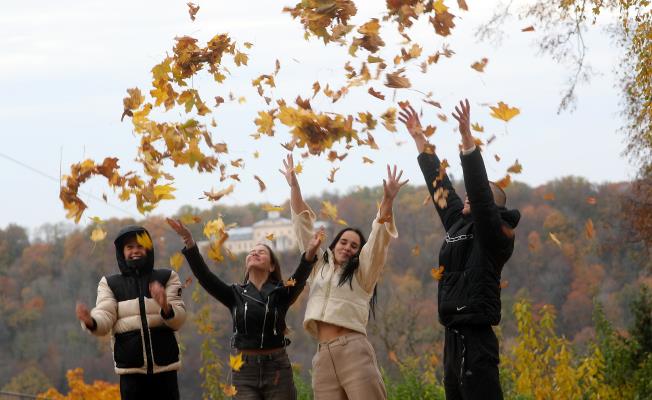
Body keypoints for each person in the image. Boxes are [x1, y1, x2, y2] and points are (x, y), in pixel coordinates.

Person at [399, 99, 521, 400]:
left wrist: (467, 141)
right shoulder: (457, 222)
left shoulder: (495, 235)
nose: (466, 199)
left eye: (475, 199)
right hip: (452, 335)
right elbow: (440, 188)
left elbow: (479, 194)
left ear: (490, 207)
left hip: (476, 337)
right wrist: (419, 139)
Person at [279, 155, 408, 400]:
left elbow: (379, 236)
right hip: (323, 356)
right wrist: (294, 186)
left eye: (354, 246)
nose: (348, 247)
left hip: (353, 351)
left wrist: (388, 199)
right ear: (334, 244)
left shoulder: (363, 274)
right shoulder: (317, 267)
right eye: (343, 242)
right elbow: (301, 223)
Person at [166, 218, 323, 400]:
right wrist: (189, 242)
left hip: (277, 368)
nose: (254, 253)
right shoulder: (234, 294)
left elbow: (299, 277)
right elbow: (205, 276)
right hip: (244, 370)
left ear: (272, 266)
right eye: (251, 252)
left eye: (261, 252)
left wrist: (310, 253)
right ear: (246, 264)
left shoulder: (282, 292)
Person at [75, 225, 187, 400]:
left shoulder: (167, 277)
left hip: (166, 372)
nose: (135, 251)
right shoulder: (110, 283)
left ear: (148, 249)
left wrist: (165, 306)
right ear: (122, 252)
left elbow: (179, 320)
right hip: (131, 376)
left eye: (140, 246)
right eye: (129, 247)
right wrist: (91, 321)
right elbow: (105, 315)